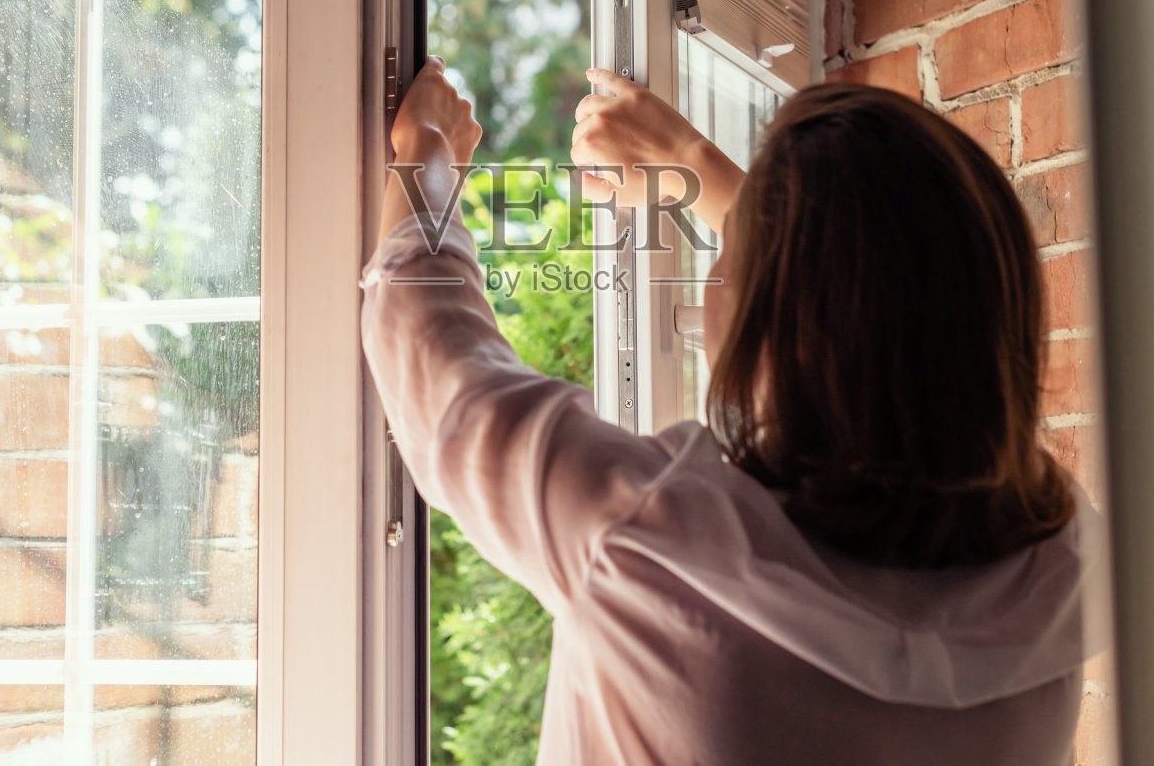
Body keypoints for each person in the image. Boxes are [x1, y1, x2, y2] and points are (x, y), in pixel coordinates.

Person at [362, 57, 1107, 765]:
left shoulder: (648, 544)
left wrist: (428, 153)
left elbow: (439, 364)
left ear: (778, 315)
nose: (715, 273)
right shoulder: (1051, 582)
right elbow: (893, 297)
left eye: (735, 255)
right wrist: (691, 161)